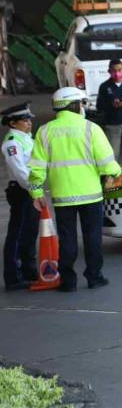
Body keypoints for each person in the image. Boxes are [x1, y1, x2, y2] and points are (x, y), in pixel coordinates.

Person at [28, 87, 121, 292]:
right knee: (93, 238)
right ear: (74, 105)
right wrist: (115, 174)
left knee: (67, 239)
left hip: (63, 197)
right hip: (91, 195)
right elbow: (106, 162)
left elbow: (36, 169)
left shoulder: (44, 131)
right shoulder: (91, 128)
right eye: (81, 103)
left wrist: (36, 193)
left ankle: (68, 282)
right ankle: (94, 277)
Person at [1, 102, 38, 291]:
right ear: (13, 123)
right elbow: (20, 171)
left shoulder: (26, 138)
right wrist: (34, 190)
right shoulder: (12, 142)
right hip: (22, 191)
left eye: (29, 119)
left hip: (31, 190)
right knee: (17, 234)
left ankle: (29, 271)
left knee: (30, 233)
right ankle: (13, 277)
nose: (29, 122)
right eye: (24, 120)